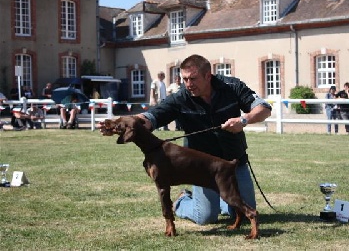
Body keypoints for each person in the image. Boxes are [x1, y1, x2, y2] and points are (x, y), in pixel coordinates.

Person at [100, 54, 272, 225]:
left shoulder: (232, 86)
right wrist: (119, 126)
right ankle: (183, 200)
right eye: (184, 79)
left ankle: (221, 197)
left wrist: (244, 120)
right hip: (202, 167)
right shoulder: (180, 98)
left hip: (235, 161)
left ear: (207, 76)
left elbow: (264, 109)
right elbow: (151, 117)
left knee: (239, 213)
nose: (188, 84)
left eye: (193, 78)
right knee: (204, 217)